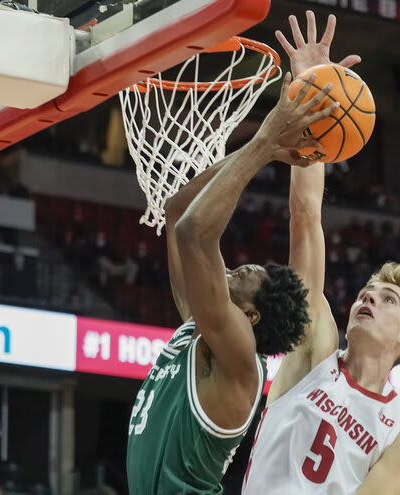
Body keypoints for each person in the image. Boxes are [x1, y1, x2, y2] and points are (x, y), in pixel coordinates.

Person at [242, 12, 400, 495]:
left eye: (388, 299)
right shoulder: (317, 345)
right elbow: (306, 217)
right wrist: (312, 91)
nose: (369, 298)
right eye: (369, 291)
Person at [126, 72, 339, 494]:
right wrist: (266, 149)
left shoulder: (238, 357)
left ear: (250, 315)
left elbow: (192, 233)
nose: (233, 268)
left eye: (244, 276)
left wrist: (264, 144)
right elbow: (177, 210)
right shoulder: (202, 326)